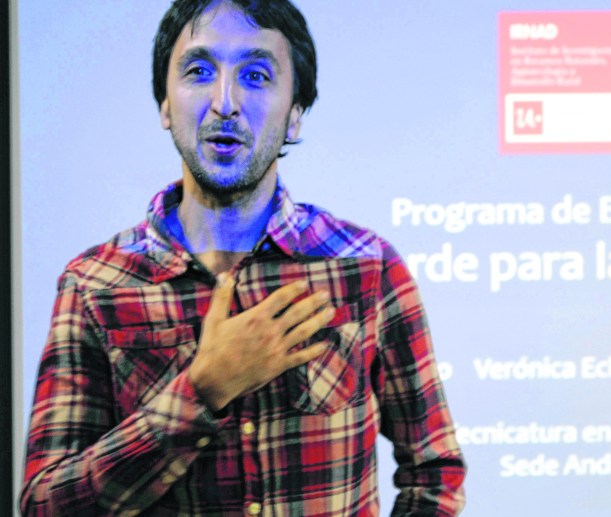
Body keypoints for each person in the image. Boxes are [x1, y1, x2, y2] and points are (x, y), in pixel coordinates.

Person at [19, 0, 466, 515]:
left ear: (294, 115)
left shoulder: (366, 268)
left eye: (256, 76)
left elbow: (434, 475)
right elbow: (45, 504)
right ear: (164, 104)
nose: (225, 102)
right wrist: (201, 391)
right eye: (198, 71)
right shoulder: (95, 285)